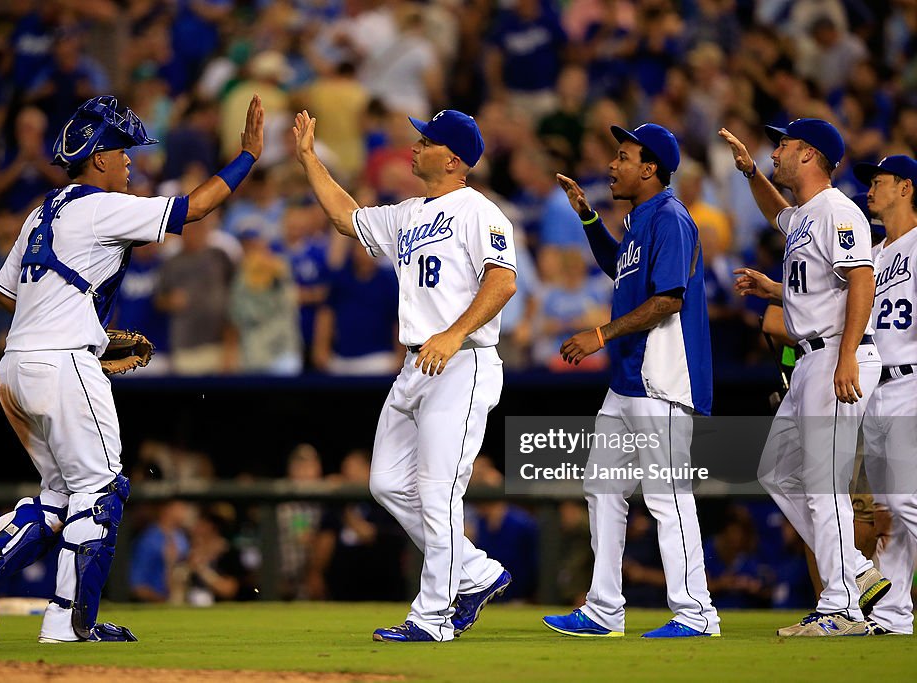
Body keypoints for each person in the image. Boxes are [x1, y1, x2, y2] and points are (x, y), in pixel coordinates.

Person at [0, 93, 264, 643]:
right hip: (63, 364)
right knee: (102, 490)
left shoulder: (41, 211)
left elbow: (4, 294)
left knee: (60, 497)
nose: (130, 162)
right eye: (123, 152)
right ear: (98, 157)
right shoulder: (97, 205)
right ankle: (69, 622)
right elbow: (195, 207)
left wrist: (76, 324)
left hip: (16, 367)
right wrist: (248, 157)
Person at [293, 107, 516, 642]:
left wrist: (456, 331)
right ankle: (477, 571)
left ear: (455, 159)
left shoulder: (479, 210)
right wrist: (308, 159)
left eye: (427, 141)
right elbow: (347, 217)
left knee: (438, 491)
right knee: (387, 482)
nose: (415, 146)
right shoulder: (409, 212)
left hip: (463, 360)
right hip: (419, 362)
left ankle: (433, 616)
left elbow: (503, 281)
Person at [542, 123, 721, 638]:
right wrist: (588, 218)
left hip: (661, 378)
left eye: (623, 156)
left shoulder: (671, 218)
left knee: (667, 496)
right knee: (602, 488)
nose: (612, 165)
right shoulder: (640, 219)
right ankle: (603, 608)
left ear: (650, 169)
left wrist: (600, 333)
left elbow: (669, 299)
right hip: (626, 383)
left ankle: (696, 612)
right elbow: (619, 267)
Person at [719, 118, 885, 636]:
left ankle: (840, 606)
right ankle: (855, 573)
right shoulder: (810, 214)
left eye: (784, 145)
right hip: (813, 355)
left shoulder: (838, 210)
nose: (776, 151)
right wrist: (749, 173)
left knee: (823, 482)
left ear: (810, 154)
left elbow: (862, 277)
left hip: (836, 351)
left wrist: (848, 355)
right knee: (778, 471)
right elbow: (781, 218)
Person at [852, 155, 917, 635]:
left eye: (878, 182)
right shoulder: (874, 254)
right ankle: (893, 614)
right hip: (875, 388)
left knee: (906, 499)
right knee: (890, 511)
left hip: (912, 380)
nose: (870, 190)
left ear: (906, 188)